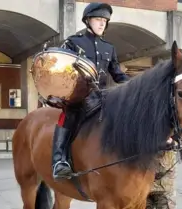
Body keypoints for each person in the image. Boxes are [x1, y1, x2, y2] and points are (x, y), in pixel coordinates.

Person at [51, 2, 130, 180]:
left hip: (102, 98)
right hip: (78, 97)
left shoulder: (109, 48)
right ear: (88, 21)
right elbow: (62, 70)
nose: (102, 23)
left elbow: (117, 74)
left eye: (104, 20)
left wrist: (135, 86)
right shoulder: (74, 42)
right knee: (68, 116)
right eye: (98, 19)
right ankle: (59, 161)